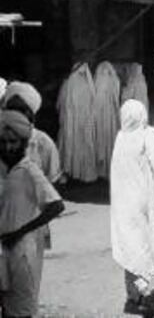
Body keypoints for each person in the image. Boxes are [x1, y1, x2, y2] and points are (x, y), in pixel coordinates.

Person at [110, 100, 154, 317]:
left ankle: (135, 294)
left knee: (132, 244)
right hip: (146, 200)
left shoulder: (121, 138)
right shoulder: (149, 135)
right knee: (145, 244)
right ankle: (140, 293)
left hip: (126, 203)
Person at [0, 110, 64, 318]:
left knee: (20, 309)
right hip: (2, 251)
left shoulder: (29, 170)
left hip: (21, 253)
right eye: (4, 142)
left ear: (23, 143)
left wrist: (19, 232)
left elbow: (56, 205)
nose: (9, 147)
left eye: (14, 142)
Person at [2, 82, 63, 185]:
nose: (16, 115)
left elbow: (53, 185)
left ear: (32, 116)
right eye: (12, 109)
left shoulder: (44, 144)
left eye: (22, 110)